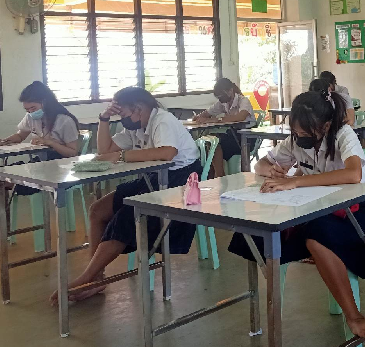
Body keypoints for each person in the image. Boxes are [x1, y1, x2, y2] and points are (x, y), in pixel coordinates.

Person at [227, 90, 365, 339]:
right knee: (257, 230)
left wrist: (296, 182)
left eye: (306, 134)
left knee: (317, 235)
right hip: (312, 208)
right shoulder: (295, 141)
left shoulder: (343, 134)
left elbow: (353, 174)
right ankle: (271, 302)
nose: (299, 139)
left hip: (352, 214)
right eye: (296, 133)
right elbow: (260, 164)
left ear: (325, 126)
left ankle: (353, 317)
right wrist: (272, 171)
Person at [51, 87, 201, 304]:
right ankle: (97, 277)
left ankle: (87, 278)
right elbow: (105, 151)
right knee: (98, 210)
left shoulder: (162, 120)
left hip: (178, 183)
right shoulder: (136, 126)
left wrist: (121, 156)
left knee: (126, 216)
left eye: (122, 113)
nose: (122, 119)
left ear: (138, 108)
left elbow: (167, 152)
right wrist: (104, 119)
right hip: (153, 179)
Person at [0, 81, 80, 160]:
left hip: (62, 162)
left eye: (33, 108)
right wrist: (5, 141)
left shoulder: (64, 121)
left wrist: (50, 143)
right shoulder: (30, 116)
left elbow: (72, 152)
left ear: (45, 102)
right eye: (27, 110)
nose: (31, 112)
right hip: (42, 160)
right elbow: (20, 136)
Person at [192, 78, 255, 177]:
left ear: (230, 91)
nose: (220, 99)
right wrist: (199, 117)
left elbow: (240, 117)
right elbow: (208, 112)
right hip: (233, 134)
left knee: (216, 144)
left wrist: (215, 120)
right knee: (210, 140)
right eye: (218, 97)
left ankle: (219, 175)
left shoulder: (243, 101)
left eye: (221, 96)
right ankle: (212, 174)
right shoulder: (223, 102)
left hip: (246, 138)